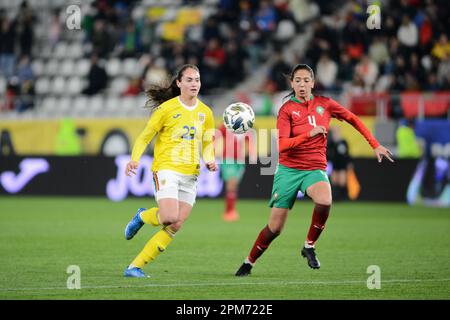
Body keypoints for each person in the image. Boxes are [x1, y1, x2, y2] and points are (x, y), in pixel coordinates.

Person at [235, 64, 394, 276]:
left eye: (306, 80)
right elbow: (281, 145)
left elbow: (353, 119)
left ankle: (309, 245)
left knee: (325, 200)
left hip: (314, 169)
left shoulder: (325, 104)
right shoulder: (286, 110)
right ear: (292, 83)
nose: (302, 84)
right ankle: (249, 262)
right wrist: (308, 135)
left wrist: (374, 144)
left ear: (313, 82)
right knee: (275, 228)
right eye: (297, 80)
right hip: (288, 171)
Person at [123, 64, 217, 278]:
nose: (195, 84)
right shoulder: (166, 109)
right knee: (168, 217)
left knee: (176, 225)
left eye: (197, 80)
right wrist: (134, 159)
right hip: (167, 169)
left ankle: (134, 267)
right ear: (179, 83)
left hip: (191, 175)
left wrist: (210, 160)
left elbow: (208, 142)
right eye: (190, 80)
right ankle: (143, 216)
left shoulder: (206, 112)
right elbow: (145, 136)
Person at [217, 123, 248, 222]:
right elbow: (216, 135)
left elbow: (248, 141)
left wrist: (245, 152)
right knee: (232, 182)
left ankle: (229, 210)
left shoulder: (246, 125)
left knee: (234, 186)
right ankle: (230, 212)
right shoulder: (227, 124)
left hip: (240, 160)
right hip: (228, 159)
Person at [327, 126, 352, 201]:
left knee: (342, 181)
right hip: (334, 164)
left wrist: (349, 163)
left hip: (342, 164)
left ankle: (343, 197)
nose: (336, 134)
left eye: (337, 132)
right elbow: (328, 154)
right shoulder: (331, 143)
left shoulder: (343, 142)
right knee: (334, 181)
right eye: (334, 132)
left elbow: (347, 154)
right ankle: (334, 197)